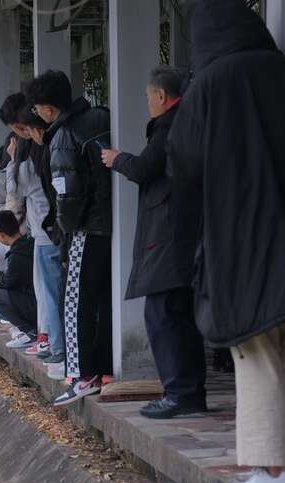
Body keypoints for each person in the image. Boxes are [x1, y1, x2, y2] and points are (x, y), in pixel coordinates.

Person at [166, 0, 285, 483]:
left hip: (242, 248)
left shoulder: (208, 88)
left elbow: (183, 169)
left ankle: (273, 474)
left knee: (257, 355)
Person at [100, 65, 206, 419]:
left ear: (161, 96)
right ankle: (187, 391)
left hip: (169, 234)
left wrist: (118, 160)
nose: (147, 103)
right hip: (182, 231)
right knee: (176, 314)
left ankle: (180, 392)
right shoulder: (188, 122)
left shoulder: (169, 127)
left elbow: (146, 168)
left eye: (148, 97)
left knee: (163, 315)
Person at [26, 69, 112, 406]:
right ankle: (104, 367)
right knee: (103, 300)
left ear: (47, 109)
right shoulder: (102, 117)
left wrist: (65, 233)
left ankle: (80, 375)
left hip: (85, 229)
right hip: (110, 226)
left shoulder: (62, 137)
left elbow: (67, 194)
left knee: (74, 301)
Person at [1, 96, 66, 367]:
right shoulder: (47, 144)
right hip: (48, 230)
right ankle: (51, 340)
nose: (20, 133)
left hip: (46, 232)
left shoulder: (36, 150)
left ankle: (56, 344)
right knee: (49, 292)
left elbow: (15, 188)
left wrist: (13, 159)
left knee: (50, 292)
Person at [0, 211, 37, 349]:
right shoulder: (31, 242)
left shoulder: (17, 254)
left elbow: (7, 282)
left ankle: (31, 332)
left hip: (33, 303)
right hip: (38, 299)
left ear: (0, 234)